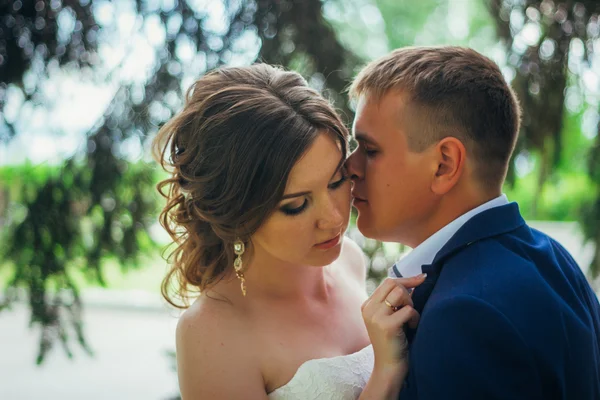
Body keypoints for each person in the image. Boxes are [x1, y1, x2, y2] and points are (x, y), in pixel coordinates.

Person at [152, 63, 423, 400]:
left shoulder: (349, 260)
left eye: (337, 181)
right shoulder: (211, 331)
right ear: (237, 214)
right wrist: (385, 374)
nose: (334, 218)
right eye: (296, 205)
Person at [346, 45, 600, 399]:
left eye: (369, 150)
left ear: (444, 164)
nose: (349, 168)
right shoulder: (554, 257)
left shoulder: (463, 315)